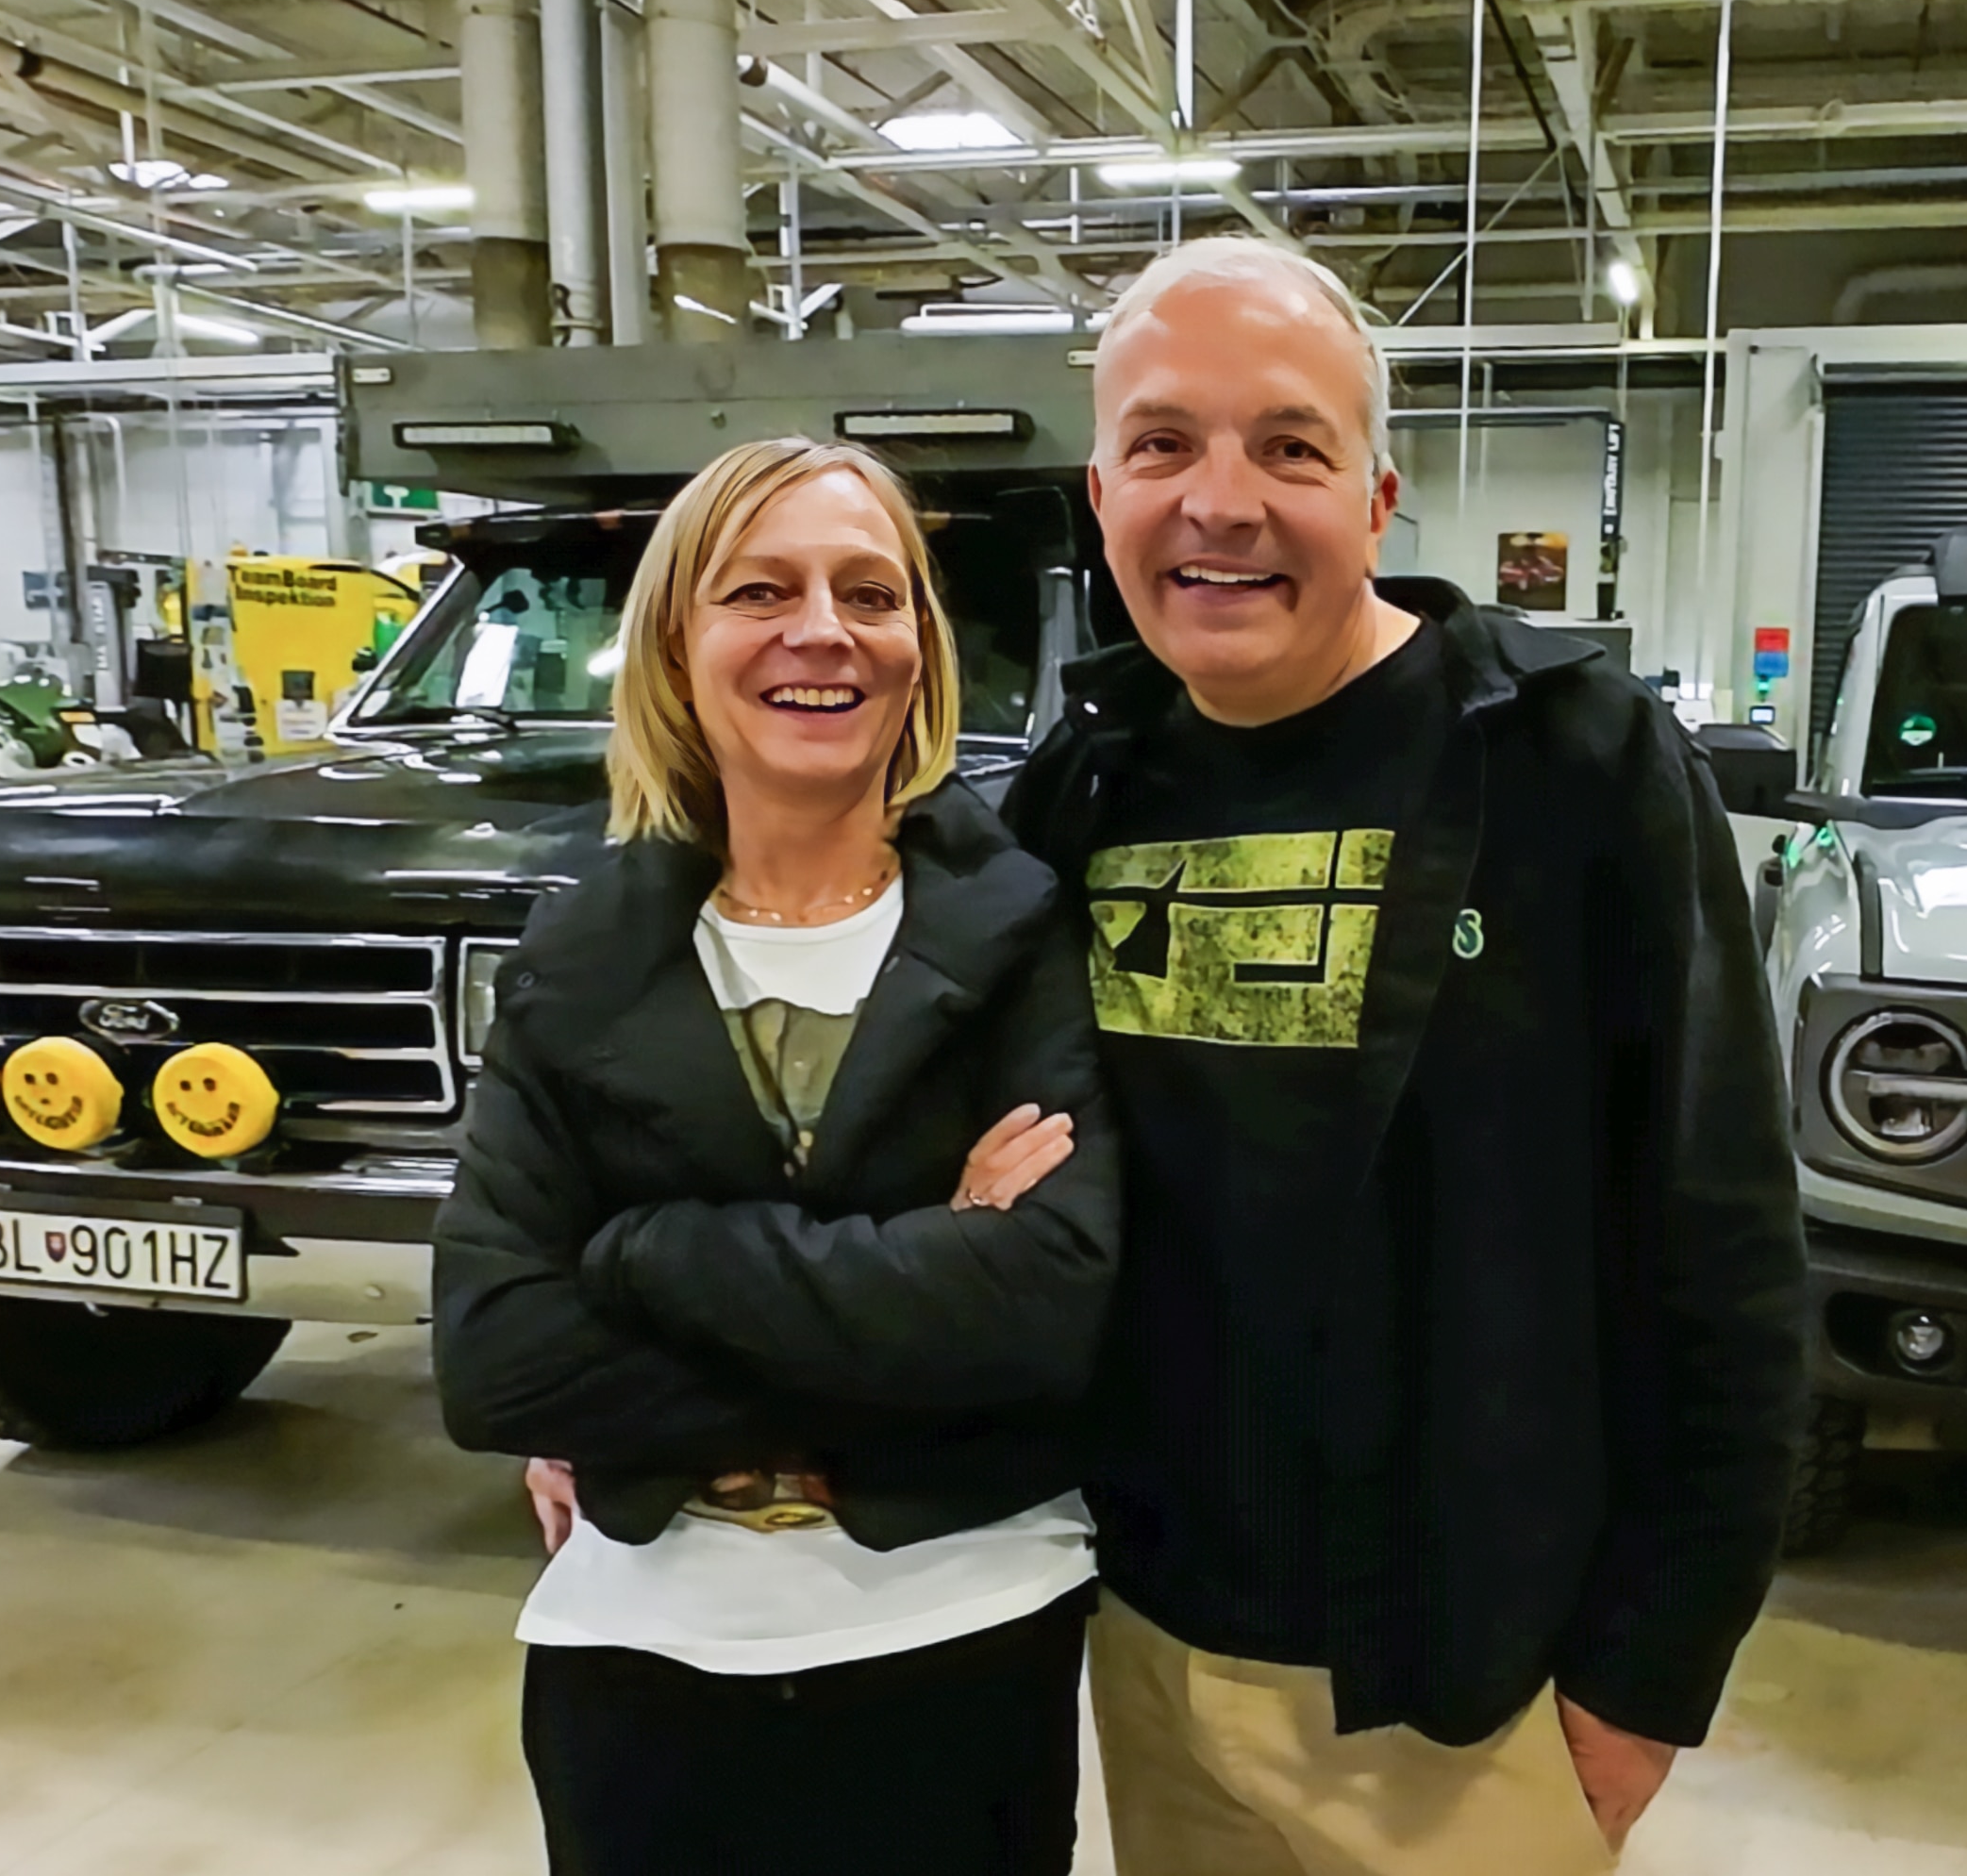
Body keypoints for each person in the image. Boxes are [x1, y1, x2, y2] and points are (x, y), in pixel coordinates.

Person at [1004, 237, 1807, 1874]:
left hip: (1469, 1690)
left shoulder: (1573, 761)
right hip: (1151, 1643)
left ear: (1375, 501)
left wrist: (1653, 1673)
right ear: (1103, 497)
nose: (1219, 500)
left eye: (1287, 445)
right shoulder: (1084, 785)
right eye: (1162, 444)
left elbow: (1720, 1234)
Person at [434, 436, 1120, 1876]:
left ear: (921, 651)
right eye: (762, 590)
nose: (822, 631)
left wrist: (643, 1253)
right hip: (640, 1644)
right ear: (679, 646)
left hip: (959, 1627)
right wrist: (923, 1268)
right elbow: (499, 1358)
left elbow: (1047, 1306)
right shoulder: (578, 960)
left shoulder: (1024, 932)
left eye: (870, 594)